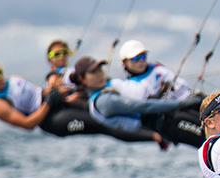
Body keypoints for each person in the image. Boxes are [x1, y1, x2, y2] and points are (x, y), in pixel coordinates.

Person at [0, 56, 167, 146]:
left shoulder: (14, 79)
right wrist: (48, 103)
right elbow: (27, 124)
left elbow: (41, 92)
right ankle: (154, 136)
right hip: (51, 120)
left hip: (56, 101)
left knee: (103, 100)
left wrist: (57, 92)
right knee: (102, 123)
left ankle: (153, 108)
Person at [71, 56, 204, 147]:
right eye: (93, 72)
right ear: (83, 79)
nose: (100, 74)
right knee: (210, 140)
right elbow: (142, 107)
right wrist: (182, 103)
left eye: (100, 69)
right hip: (168, 124)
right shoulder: (104, 101)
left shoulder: (106, 89)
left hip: (167, 118)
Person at [118, 39, 193, 101]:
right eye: (135, 58)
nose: (140, 61)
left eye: (143, 57)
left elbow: (182, 86)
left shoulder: (159, 70)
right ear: (124, 63)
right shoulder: (127, 86)